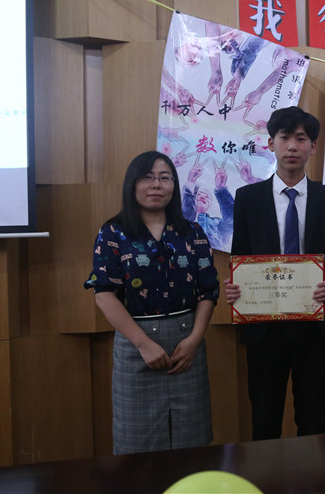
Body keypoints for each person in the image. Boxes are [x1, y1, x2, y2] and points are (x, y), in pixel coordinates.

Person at [225, 106, 325, 440]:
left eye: (301, 138)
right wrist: (235, 286)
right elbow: (240, 258)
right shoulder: (248, 198)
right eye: (284, 138)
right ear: (271, 144)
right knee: (264, 421)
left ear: (313, 146)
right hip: (264, 329)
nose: (292, 146)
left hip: (314, 328)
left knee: (312, 421)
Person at [84, 151, 220, 454]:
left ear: (174, 186)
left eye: (164, 178)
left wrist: (195, 339)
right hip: (136, 347)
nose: (156, 184)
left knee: (192, 443)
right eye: (147, 177)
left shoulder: (192, 232)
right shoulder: (113, 232)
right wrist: (144, 344)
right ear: (132, 184)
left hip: (187, 347)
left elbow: (208, 291)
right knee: (137, 446)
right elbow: (104, 294)